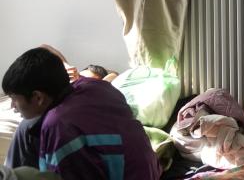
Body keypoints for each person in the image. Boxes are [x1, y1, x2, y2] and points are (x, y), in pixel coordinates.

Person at [2, 47, 160, 180]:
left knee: (28, 129)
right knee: (27, 127)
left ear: (38, 97)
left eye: (15, 99)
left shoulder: (59, 125)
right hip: (147, 169)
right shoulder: (94, 86)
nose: (12, 106)